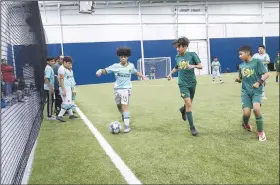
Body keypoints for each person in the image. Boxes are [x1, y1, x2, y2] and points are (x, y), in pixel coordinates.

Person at [96, 47, 146, 133]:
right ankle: (123, 114)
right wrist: (100, 70)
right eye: (121, 56)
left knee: (124, 106)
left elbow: (135, 72)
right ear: (119, 57)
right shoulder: (116, 66)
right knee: (119, 107)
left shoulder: (131, 66)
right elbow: (106, 71)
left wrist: (143, 76)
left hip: (126, 89)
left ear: (127, 57)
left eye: (125, 56)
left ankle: (127, 126)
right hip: (117, 89)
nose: (123, 58)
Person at [167, 37, 203, 136]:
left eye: (179, 47)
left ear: (185, 47)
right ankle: (192, 127)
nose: (177, 49)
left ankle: (183, 110)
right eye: (177, 47)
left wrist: (193, 66)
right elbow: (177, 67)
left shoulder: (192, 55)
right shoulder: (177, 57)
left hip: (192, 83)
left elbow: (200, 66)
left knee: (188, 104)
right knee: (188, 103)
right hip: (182, 83)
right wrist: (170, 73)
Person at [235, 45, 269, 141]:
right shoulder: (241, 66)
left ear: (248, 53)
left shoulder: (257, 62)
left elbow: (266, 74)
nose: (239, 56)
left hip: (256, 91)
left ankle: (261, 132)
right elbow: (241, 78)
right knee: (246, 113)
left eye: (241, 54)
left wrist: (259, 82)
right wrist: (238, 79)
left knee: (256, 110)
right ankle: (245, 124)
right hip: (245, 91)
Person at [56, 56, 78, 122]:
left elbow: (70, 78)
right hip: (64, 88)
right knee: (67, 102)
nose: (70, 65)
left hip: (68, 87)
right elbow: (61, 80)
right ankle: (60, 116)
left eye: (71, 63)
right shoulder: (61, 69)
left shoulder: (68, 69)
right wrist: (63, 89)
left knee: (69, 101)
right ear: (64, 62)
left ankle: (71, 115)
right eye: (68, 63)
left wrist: (72, 89)